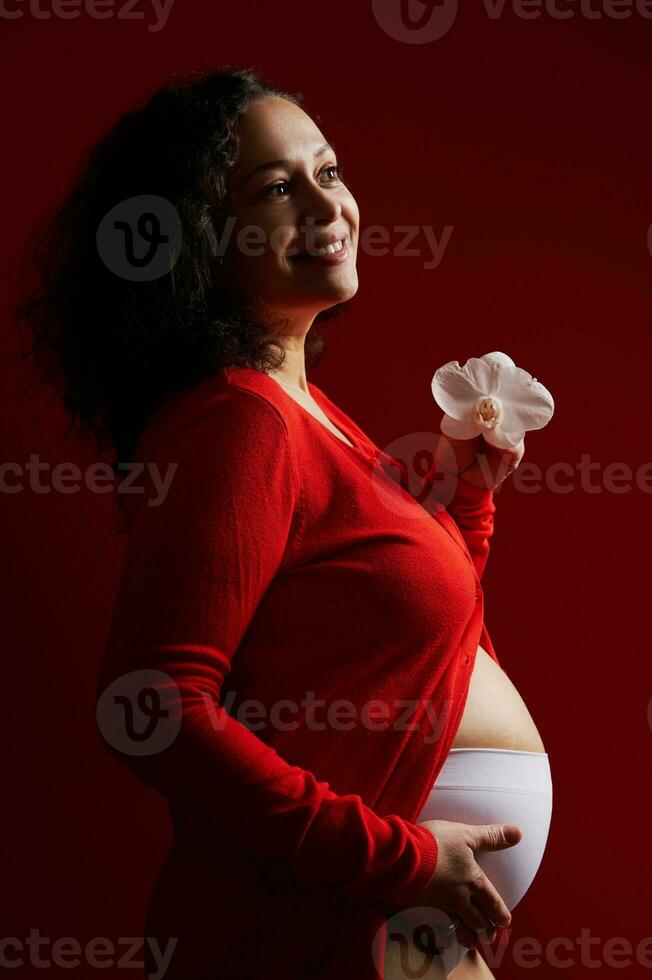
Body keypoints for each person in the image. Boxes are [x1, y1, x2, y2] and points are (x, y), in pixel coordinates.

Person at [18, 67, 552, 979]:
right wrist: (400, 858)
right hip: (330, 920)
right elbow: (152, 709)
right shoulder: (241, 420)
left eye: (329, 170)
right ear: (200, 239)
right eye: (276, 187)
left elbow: (420, 647)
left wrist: (467, 498)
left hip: (398, 923)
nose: (326, 203)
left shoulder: (315, 416)